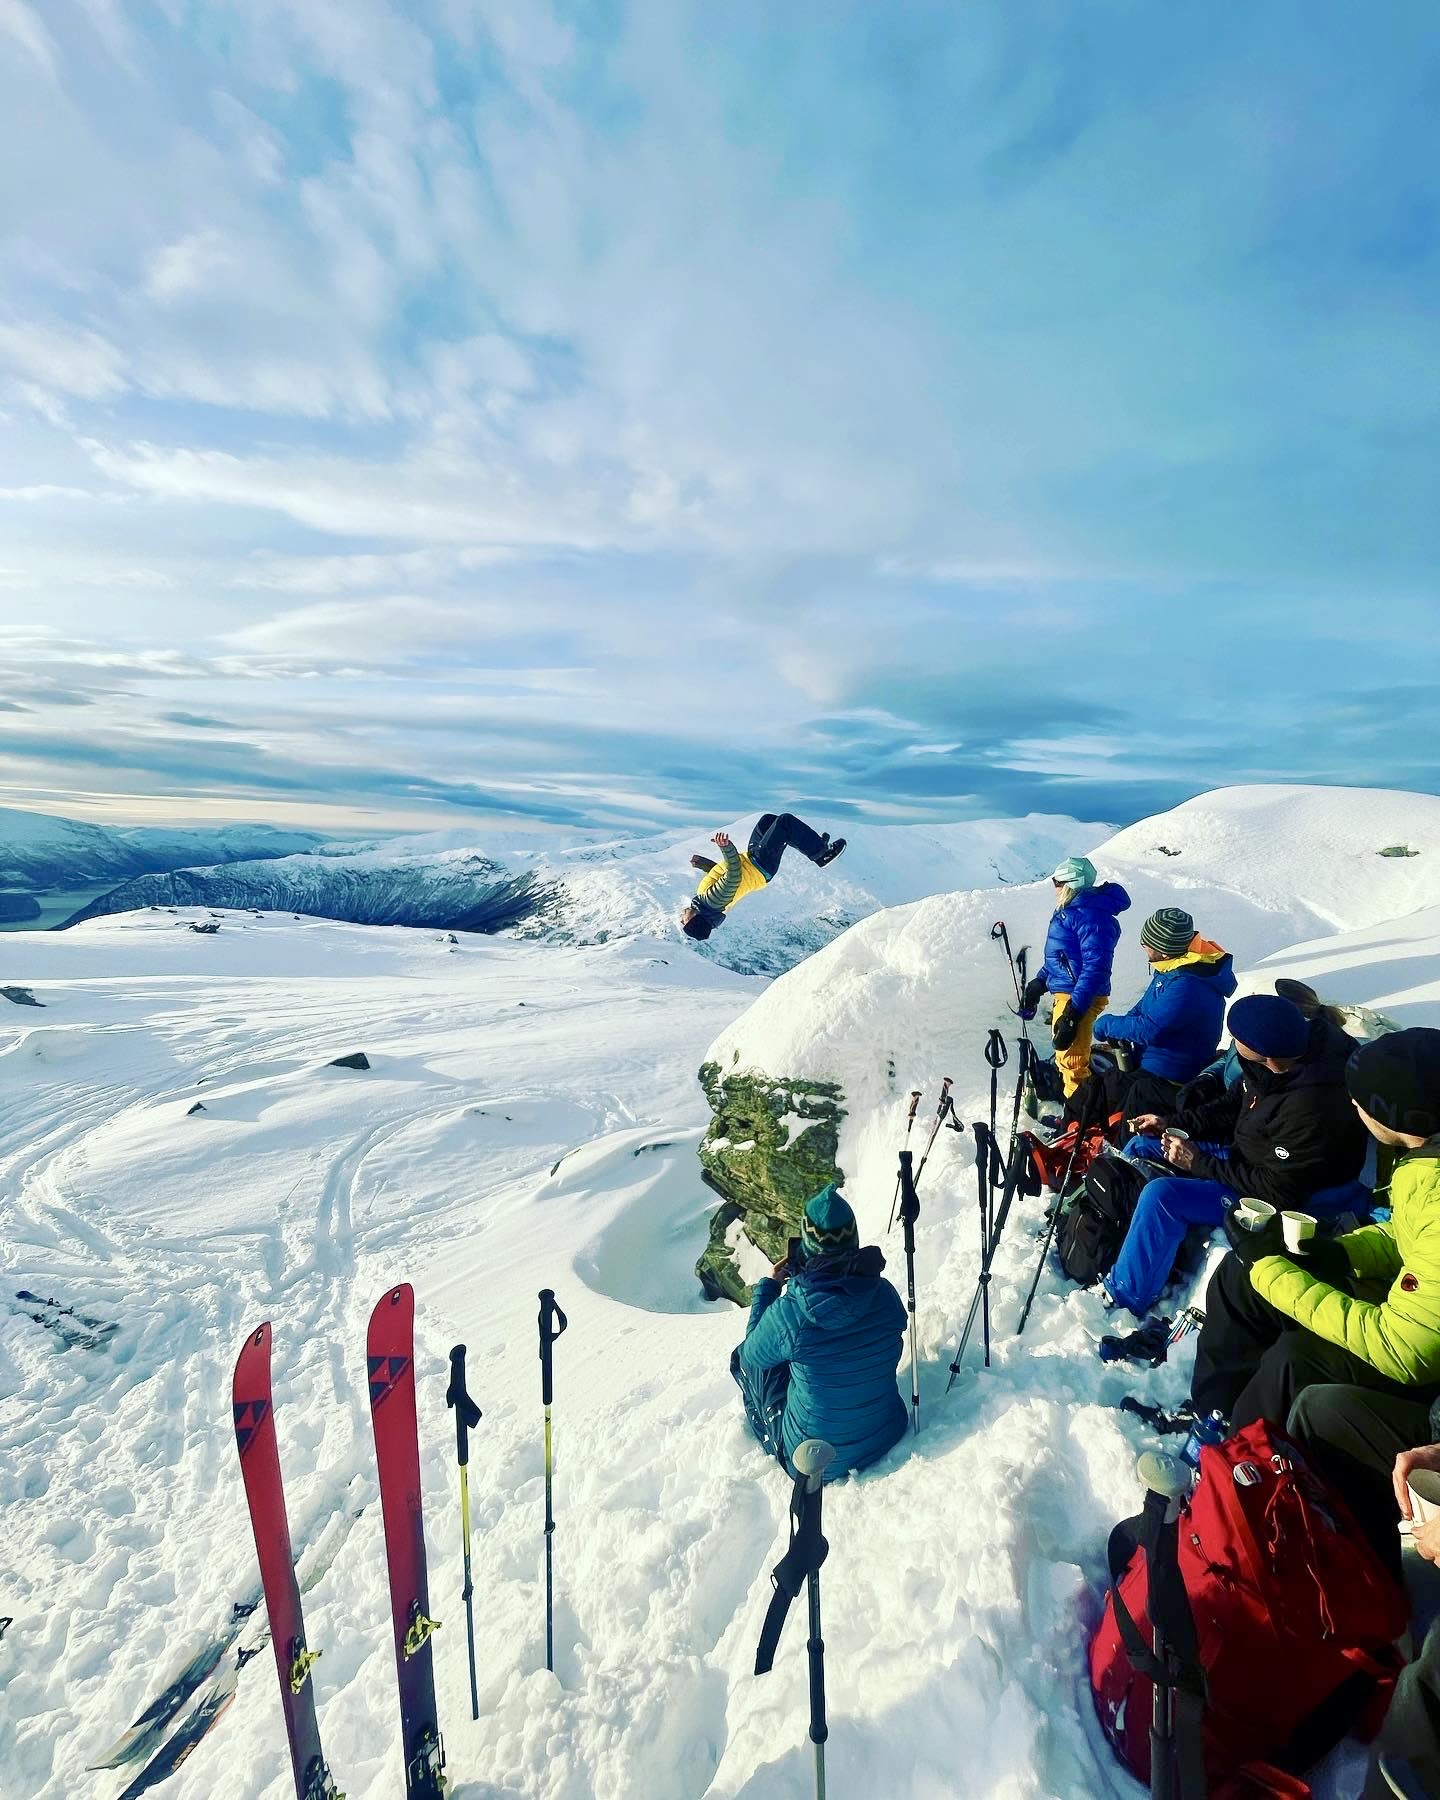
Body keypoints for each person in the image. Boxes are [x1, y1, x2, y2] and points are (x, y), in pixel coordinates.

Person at [1190, 1027, 1440, 1443]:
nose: (1352, 1104)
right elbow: (1406, 1234)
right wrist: (1336, 1254)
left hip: (1416, 1359)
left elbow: (1403, 1351)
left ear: (1394, 1114)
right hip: (1412, 1310)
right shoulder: (1425, 1161)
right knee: (1240, 1278)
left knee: (1295, 1359)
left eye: (1360, 1099)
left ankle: (1238, 1464)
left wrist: (1271, 1268)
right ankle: (1214, 1416)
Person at [1104, 993, 1368, 1318]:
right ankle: (1124, 1239)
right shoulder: (1280, 1062)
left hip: (1287, 1199)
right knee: (1144, 1146)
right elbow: (1233, 1105)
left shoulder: (1310, 1108)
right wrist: (1171, 1124)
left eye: (1238, 1041)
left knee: (1163, 1195)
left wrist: (1197, 1163)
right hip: (1252, 1156)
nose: (1232, 1044)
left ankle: (1126, 1297)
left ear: (1268, 1058)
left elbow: (1277, 1190)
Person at [731, 1185, 906, 1481]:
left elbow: (752, 1355)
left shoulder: (791, 1314)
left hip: (816, 1460)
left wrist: (770, 1287)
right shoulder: (885, 1294)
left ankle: (772, 1437)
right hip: (887, 1431)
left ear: (807, 1247)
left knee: (744, 1360)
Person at [1076, 906, 1235, 1124]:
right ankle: (1076, 1130)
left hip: (1170, 1073)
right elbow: (1143, 1009)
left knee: (1102, 1089)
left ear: (1164, 950)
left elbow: (1148, 1029)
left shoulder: (1188, 984)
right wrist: (1122, 1026)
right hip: (1152, 1061)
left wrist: (1106, 1024)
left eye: (1146, 943)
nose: (1142, 946)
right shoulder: (1173, 968)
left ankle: (1078, 1139)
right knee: (1096, 1086)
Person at [1017, 855, 1131, 1097]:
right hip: (1071, 994)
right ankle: (1076, 1112)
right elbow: (1063, 958)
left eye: (1057, 882)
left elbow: (1096, 967)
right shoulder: (1074, 911)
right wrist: (1040, 982)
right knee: (1066, 1059)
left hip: (1080, 997)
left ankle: (1079, 1121)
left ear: (1071, 883)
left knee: (1073, 1063)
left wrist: (1074, 1012)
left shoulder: (1091, 916)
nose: (1054, 887)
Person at [680, 812, 845, 942]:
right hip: (760, 864)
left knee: (767, 822)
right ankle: (822, 854)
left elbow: (719, 875)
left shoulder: (706, 901)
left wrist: (702, 864)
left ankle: (812, 843)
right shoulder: (712, 902)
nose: (681, 920)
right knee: (785, 823)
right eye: (684, 923)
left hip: (753, 860)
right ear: (694, 921)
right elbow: (733, 875)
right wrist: (727, 848)